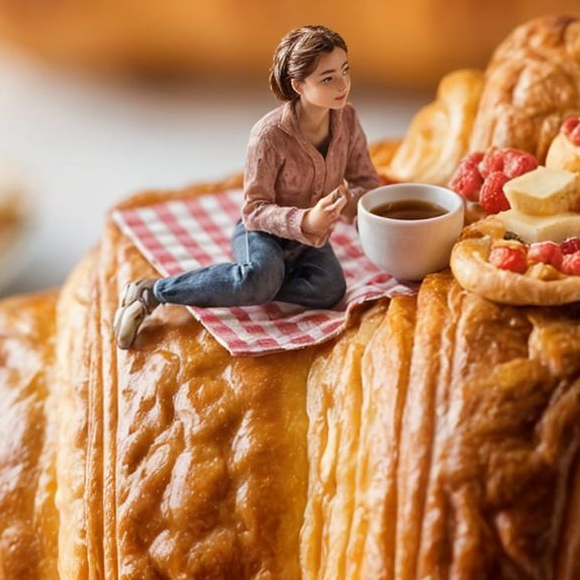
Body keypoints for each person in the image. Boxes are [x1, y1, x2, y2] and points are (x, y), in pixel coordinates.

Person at [113, 24, 383, 349]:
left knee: (328, 290)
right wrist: (305, 220)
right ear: (298, 85)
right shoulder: (269, 136)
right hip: (261, 233)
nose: (343, 85)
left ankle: (256, 282)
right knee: (260, 278)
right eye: (328, 78)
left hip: (309, 240)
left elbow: (365, 181)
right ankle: (152, 291)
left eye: (345, 70)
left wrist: (352, 205)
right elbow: (254, 210)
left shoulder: (347, 121)